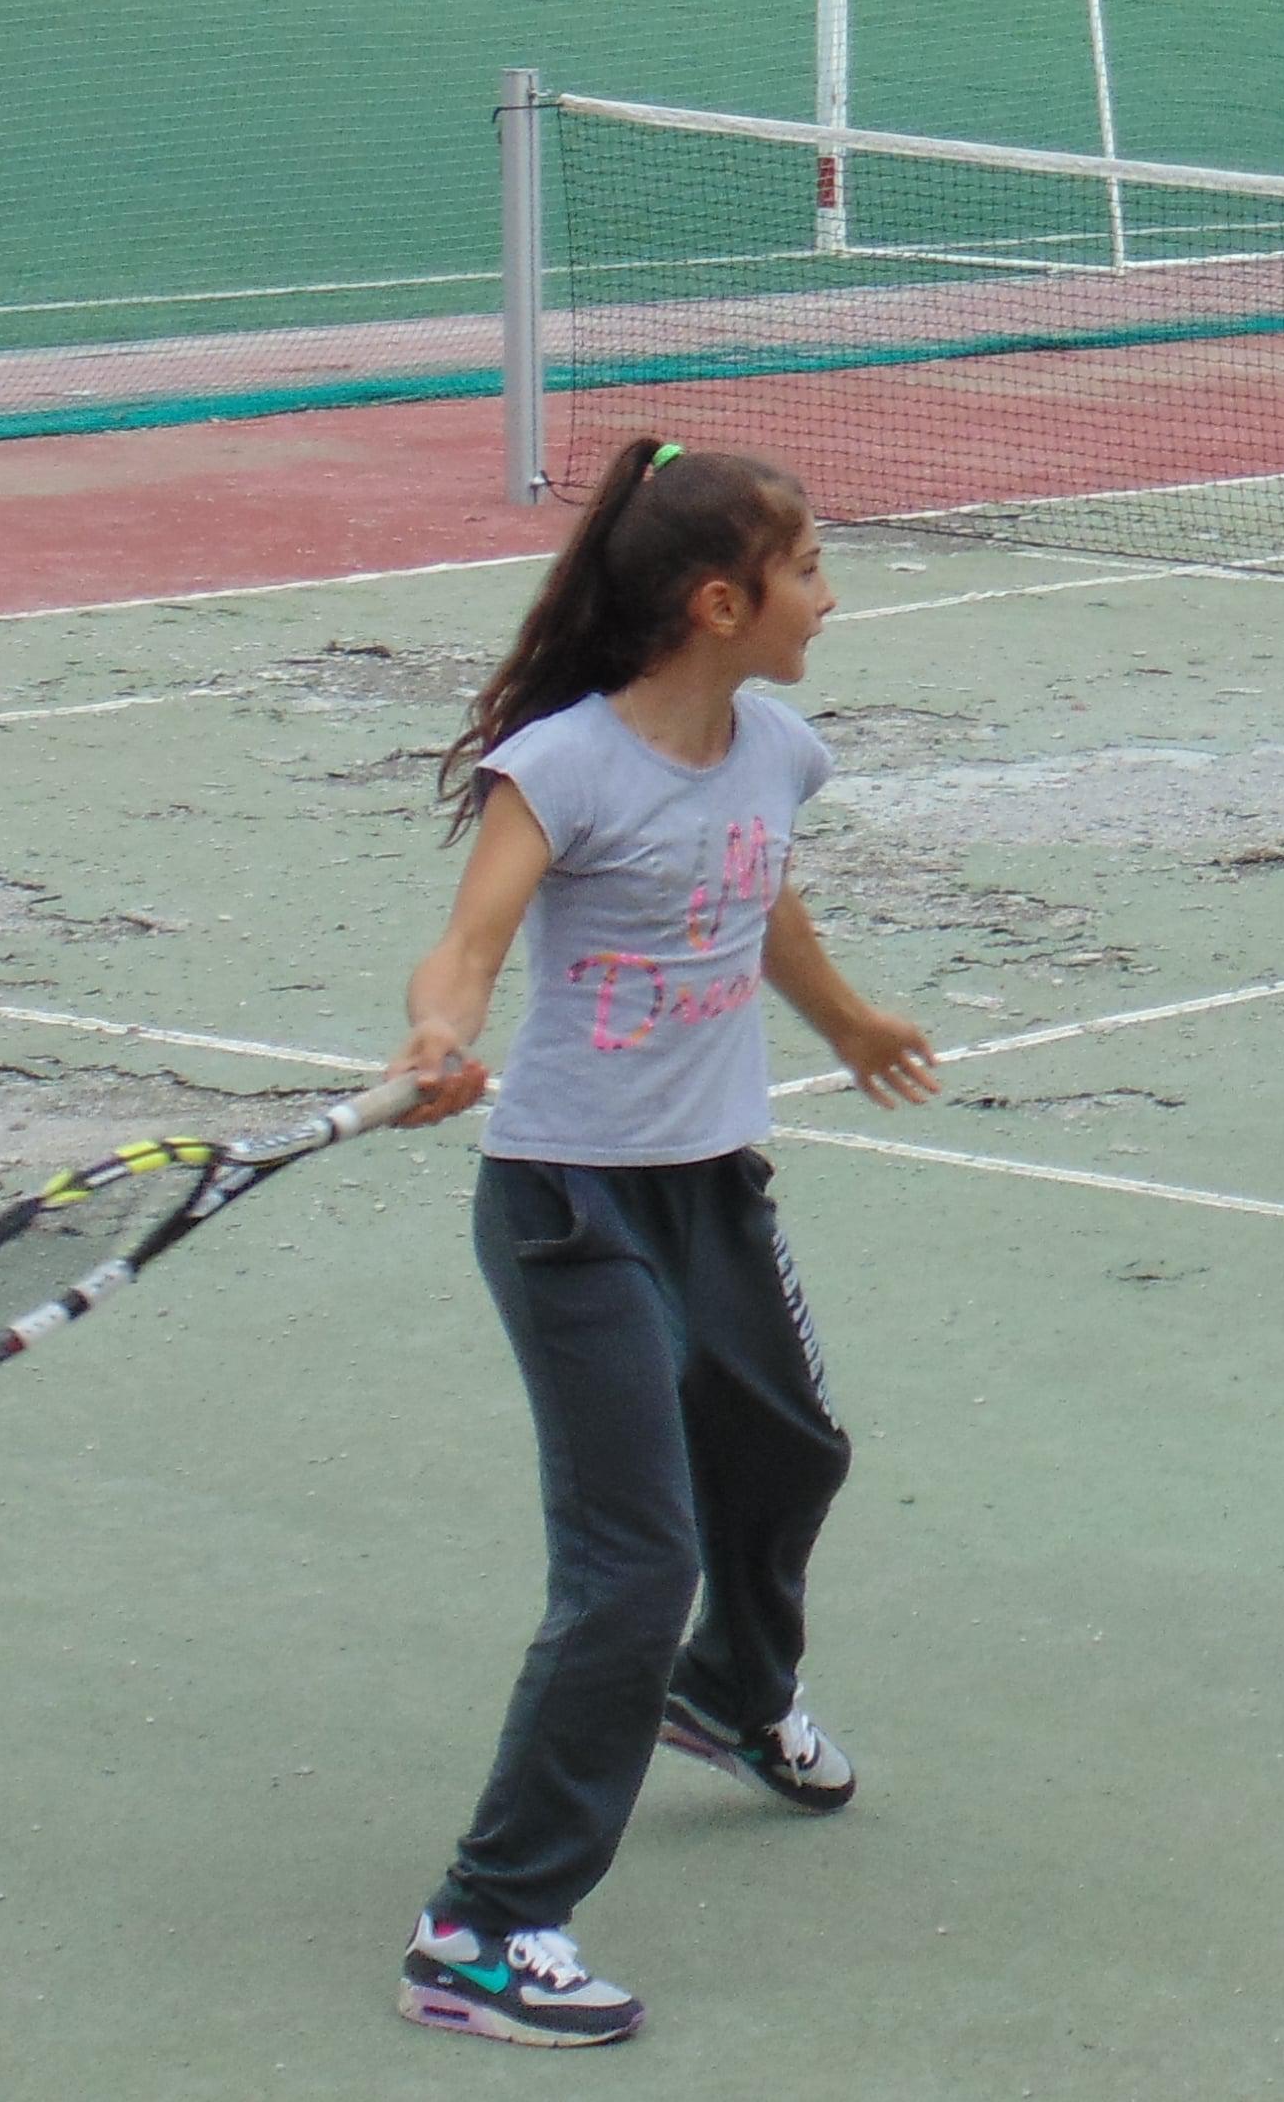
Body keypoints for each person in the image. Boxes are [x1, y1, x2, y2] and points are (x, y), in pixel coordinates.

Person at [374, 439, 939, 2046]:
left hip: (710, 1183)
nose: (830, 596)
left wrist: (845, 1020)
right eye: (808, 568)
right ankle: (483, 1929)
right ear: (718, 604)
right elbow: (471, 941)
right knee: (635, 1564)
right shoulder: (561, 768)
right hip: (572, 1202)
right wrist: (438, 1036)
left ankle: (734, 1694)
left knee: (791, 1454)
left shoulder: (777, 749)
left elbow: (754, 892)